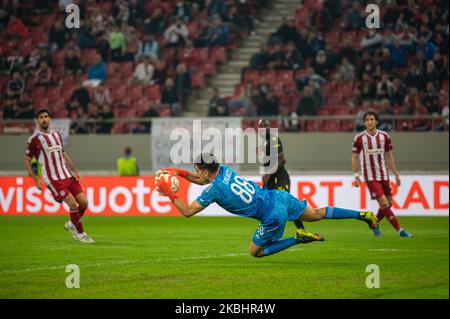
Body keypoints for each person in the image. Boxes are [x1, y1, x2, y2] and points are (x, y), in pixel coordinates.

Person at [155, 153, 378, 258]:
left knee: (255, 252)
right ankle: (362, 214)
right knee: (318, 213)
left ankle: (297, 238)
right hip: (279, 197)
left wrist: (168, 192)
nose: (196, 172)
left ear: (205, 170)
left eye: (197, 168)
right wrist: (179, 173)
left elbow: (187, 211)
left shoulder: (214, 189)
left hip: (272, 214)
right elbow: (201, 178)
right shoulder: (223, 169)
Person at [24, 108, 94, 243]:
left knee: (84, 203)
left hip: (66, 175)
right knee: (73, 204)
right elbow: (27, 160)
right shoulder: (34, 139)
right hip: (52, 179)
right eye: (41, 117)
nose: (44, 119)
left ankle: (71, 224)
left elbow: (63, 154)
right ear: (37, 120)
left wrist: (74, 171)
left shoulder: (56, 135)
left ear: (50, 119)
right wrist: (35, 179)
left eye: (46, 116)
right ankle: (80, 234)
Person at [352, 110, 413, 238]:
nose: (370, 122)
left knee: (389, 204)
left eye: (372, 119)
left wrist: (396, 174)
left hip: (384, 175)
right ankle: (400, 231)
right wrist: (356, 176)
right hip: (370, 176)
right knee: (384, 204)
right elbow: (354, 157)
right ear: (364, 122)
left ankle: (374, 223)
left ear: (376, 121)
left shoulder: (384, 136)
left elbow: (389, 155)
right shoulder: (359, 138)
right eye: (367, 120)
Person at [258, 119, 304, 230]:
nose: (265, 127)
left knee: (286, 204)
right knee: (269, 206)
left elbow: (282, 159)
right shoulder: (264, 143)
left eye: (267, 125)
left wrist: (268, 174)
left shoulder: (274, 140)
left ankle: (302, 230)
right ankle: (268, 232)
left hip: (280, 178)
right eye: (262, 126)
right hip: (271, 180)